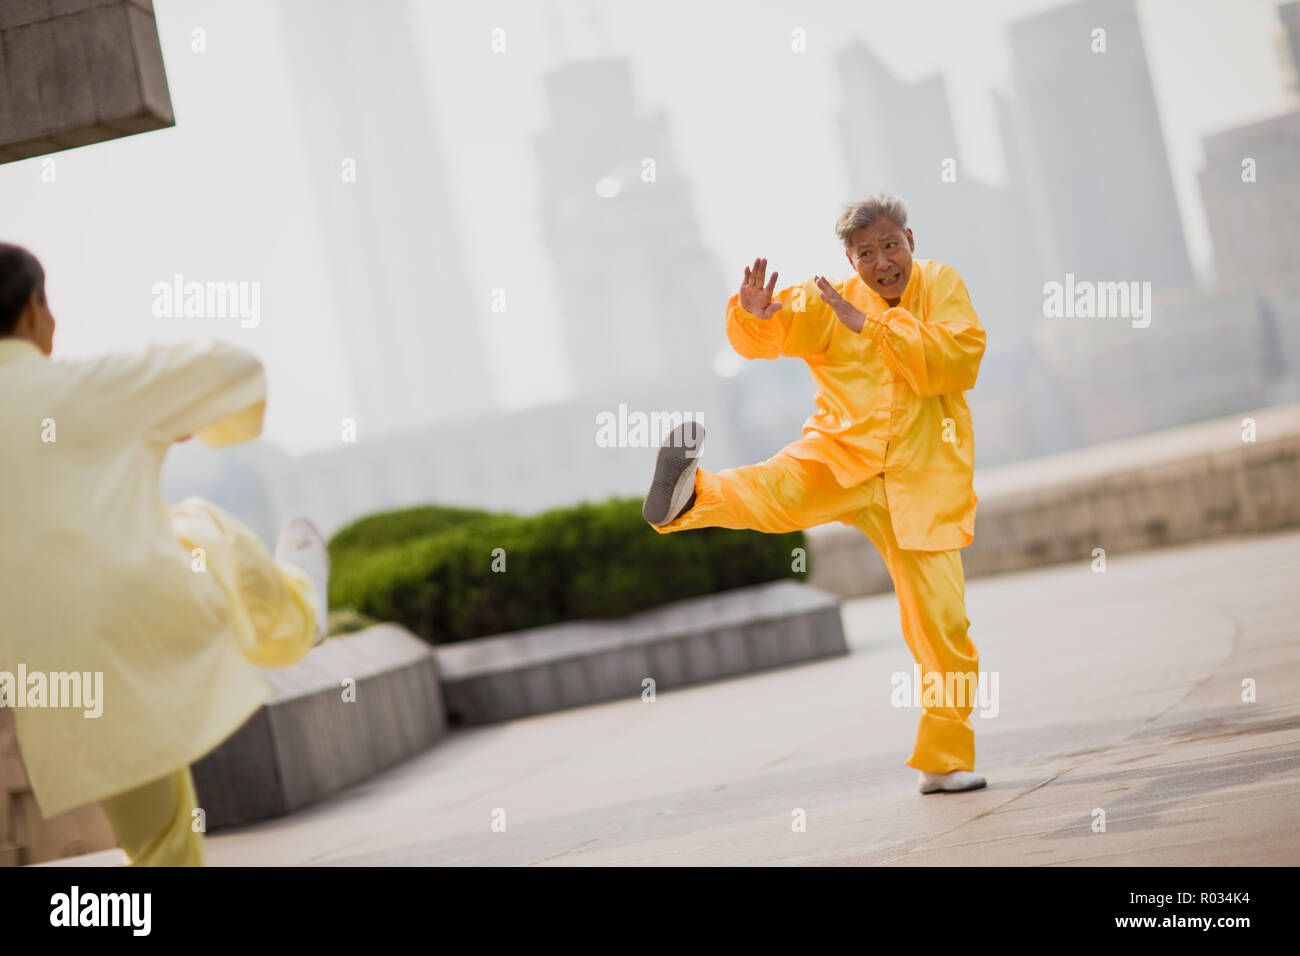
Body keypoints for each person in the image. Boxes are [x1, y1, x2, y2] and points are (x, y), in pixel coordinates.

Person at [642, 193, 988, 794]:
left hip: (921, 480)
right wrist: (752, 314)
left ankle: (943, 759)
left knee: (943, 626)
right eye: (865, 253)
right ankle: (689, 496)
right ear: (849, 259)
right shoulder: (828, 298)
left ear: (911, 240)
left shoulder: (941, 284)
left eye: (890, 246)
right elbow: (769, 332)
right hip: (841, 456)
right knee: (773, 491)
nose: (882, 262)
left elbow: (959, 359)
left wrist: (877, 325)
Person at [0, 242, 331, 864]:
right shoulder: (87, 385)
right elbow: (236, 370)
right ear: (34, 308)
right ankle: (303, 612)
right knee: (205, 532)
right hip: (128, 629)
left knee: (159, 848)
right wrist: (199, 421)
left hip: (42, 667)